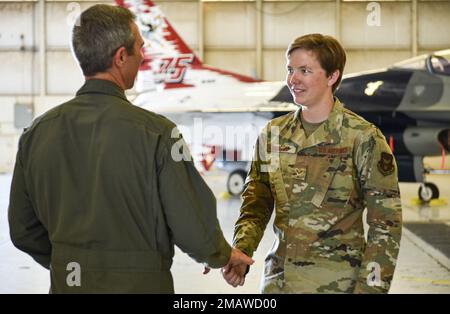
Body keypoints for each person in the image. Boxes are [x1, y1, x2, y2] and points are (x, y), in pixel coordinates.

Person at [8, 4, 252, 294]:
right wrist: (223, 255)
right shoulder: (158, 133)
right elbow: (194, 226)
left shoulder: (36, 134)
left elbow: (23, 229)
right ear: (121, 57)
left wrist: (72, 261)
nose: (144, 56)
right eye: (140, 48)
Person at [222, 34, 402, 293]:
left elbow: (385, 224)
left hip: (337, 285)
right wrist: (241, 251)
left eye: (304, 70)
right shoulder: (273, 134)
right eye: (290, 70)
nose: (293, 79)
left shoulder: (362, 138)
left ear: (332, 76)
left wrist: (371, 289)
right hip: (278, 283)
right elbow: (256, 203)